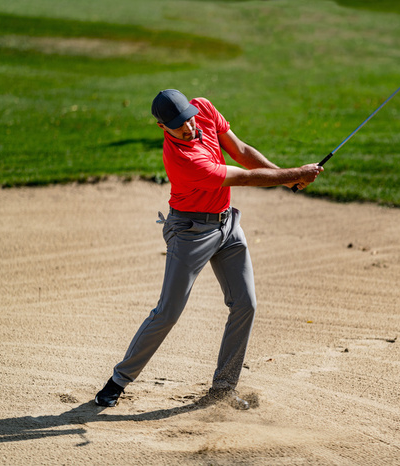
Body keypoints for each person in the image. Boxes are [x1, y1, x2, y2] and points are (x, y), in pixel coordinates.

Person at [95, 89, 322, 410]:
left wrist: (287, 178)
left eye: (187, 118)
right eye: (177, 125)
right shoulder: (183, 159)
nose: (187, 127)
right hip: (190, 232)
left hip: (227, 224)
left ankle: (223, 388)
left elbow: (241, 151)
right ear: (163, 128)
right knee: (168, 312)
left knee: (246, 304)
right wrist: (295, 174)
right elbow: (242, 177)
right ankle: (118, 381)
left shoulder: (203, 108)